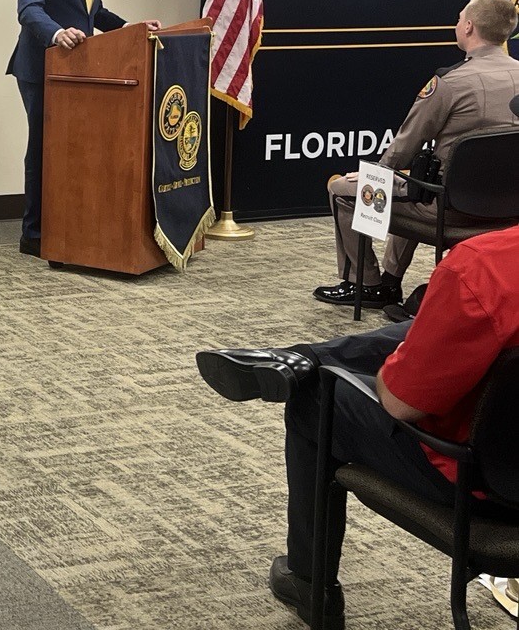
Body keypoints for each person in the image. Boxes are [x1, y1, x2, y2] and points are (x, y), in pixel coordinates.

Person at [196, 224, 519, 629]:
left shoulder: (483, 268)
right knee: (423, 326)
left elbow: (400, 403)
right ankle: (302, 356)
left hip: (487, 486)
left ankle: (311, 584)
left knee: (317, 397)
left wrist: (401, 362)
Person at [316, 0, 519, 309]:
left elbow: (403, 148)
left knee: (344, 191)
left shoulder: (450, 83)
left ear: (468, 27)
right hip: (511, 211)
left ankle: (365, 284)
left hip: (452, 212)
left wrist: (375, 174)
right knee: (413, 182)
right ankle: (390, 281)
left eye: (459, 18)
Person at [7, 0, 160, 256]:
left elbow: (94, 13)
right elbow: (29, 10)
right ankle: (33, 233)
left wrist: (131, 27)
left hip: (81, 68)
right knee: (44, 146)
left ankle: (70, 223)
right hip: (42, 67)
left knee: (76, 148)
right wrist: (58, 34)